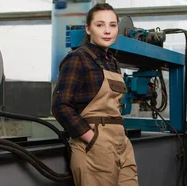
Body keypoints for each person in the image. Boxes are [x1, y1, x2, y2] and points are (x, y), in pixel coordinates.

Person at [51, 3, 138, 186]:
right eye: (100, 25)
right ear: (88, 29)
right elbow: (60, 105)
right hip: (94, 144)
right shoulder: (77, 58)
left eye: (112, 25)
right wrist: (92, 138)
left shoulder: (112, 62)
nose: (107, 31)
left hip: (120, 141)